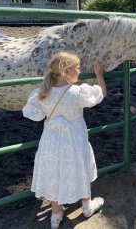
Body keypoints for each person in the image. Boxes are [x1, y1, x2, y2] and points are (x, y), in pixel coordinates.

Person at [22, 51, 107, 229]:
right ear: (66, 71)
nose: (80, 70)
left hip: (51, 140)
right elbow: (100, 95)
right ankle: (87, 206)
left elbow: (34, 114)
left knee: (54, 170)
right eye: (77, 68)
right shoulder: (77, 92)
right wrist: (99, 75)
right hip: (75, 140)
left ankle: (55, 215)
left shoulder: (42, 93)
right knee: (80, 165)